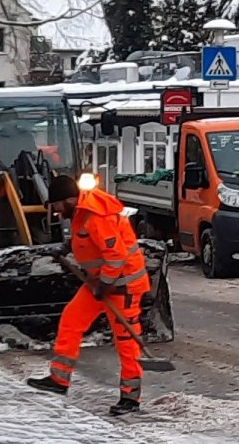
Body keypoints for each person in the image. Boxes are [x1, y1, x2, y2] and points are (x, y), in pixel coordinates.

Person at [27, 174, 149, 416]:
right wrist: (66, 249)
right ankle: (59, 379)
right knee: (72, 320)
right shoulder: (81, 211)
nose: (56, 212)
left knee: (125, 341)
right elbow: (86, 240)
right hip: (100, 281)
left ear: (70, 200)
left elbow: (117, 256)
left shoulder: (97, 216)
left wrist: (104, 285)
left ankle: (130, 398)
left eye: (58, 206)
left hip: (122, 285)